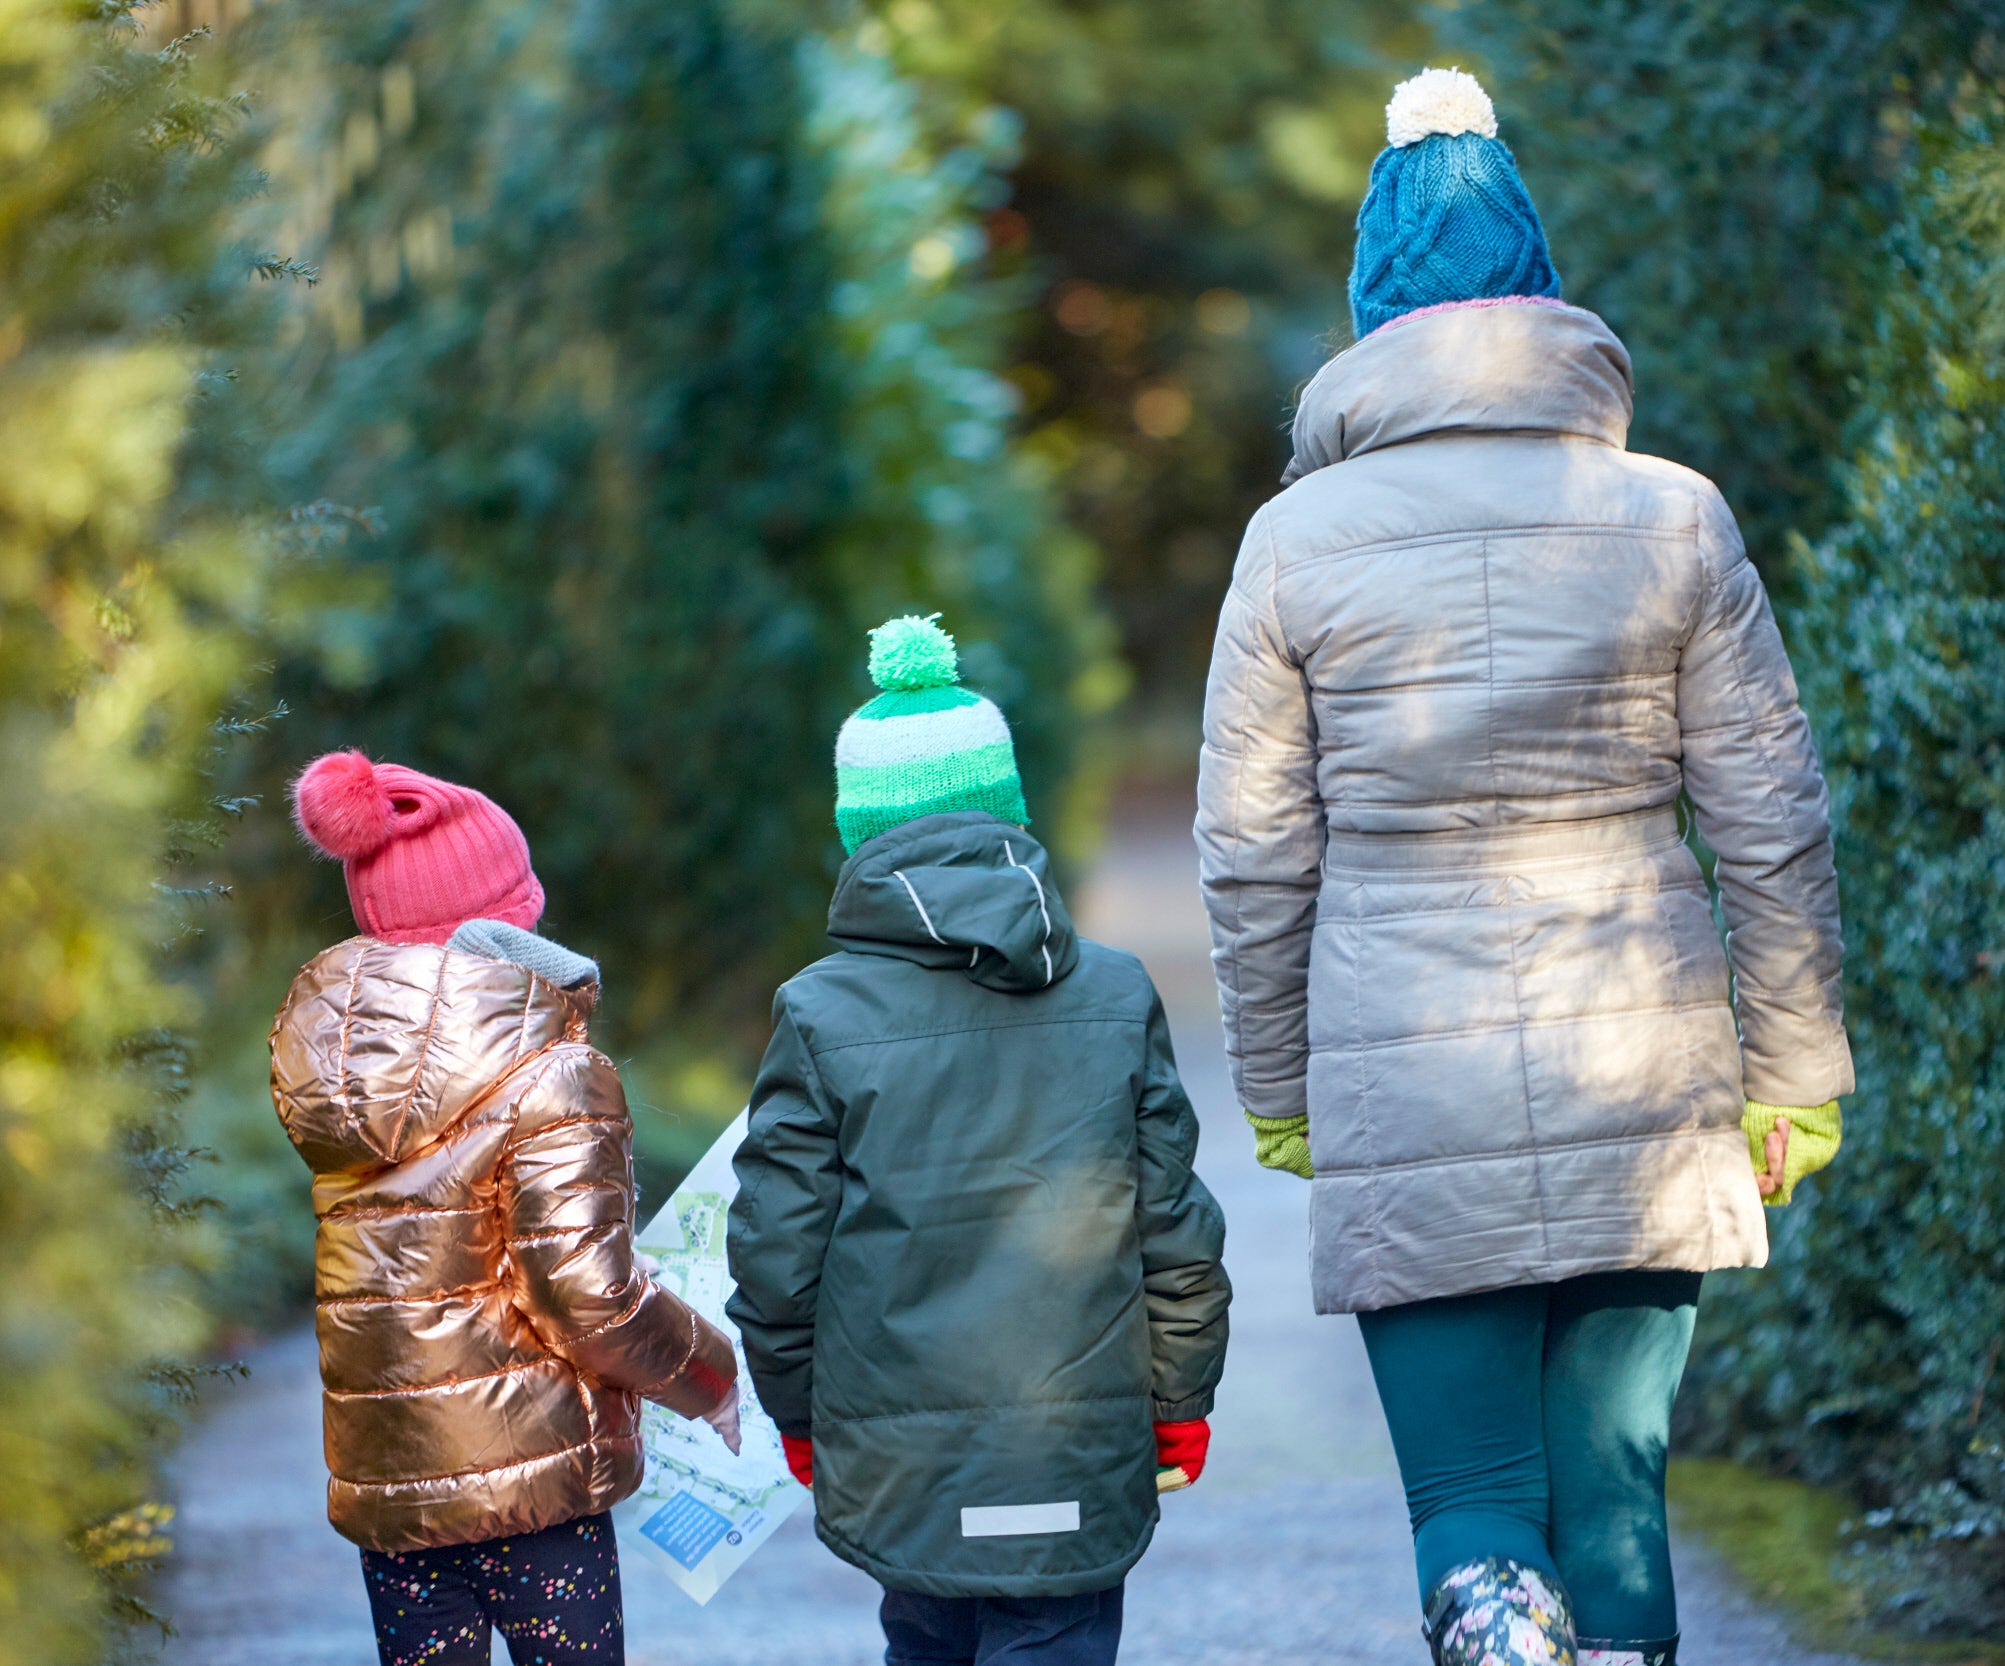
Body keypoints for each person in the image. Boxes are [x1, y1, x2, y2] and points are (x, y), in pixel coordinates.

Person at [1195, 67, 1854, 1666]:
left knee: (1477, 1498)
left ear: (1370, 317)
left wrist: (1282, 1085)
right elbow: (1772, 814)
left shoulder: (1294, 544)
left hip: (1405, 1078)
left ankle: (1492, 1626)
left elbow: (1252, 852)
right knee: (1615, 1492)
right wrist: (1797, 1070)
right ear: (1546, 297)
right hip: (1648, 1053)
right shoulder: (1675, 518)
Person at [726, 614, 1230, 1666]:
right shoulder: (1112, 989)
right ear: (1007, 809)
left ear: (859, 832)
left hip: (898, 1455)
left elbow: (777, 1251)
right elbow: (1174, 1223)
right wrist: (1178, 1398)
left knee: (927, 1632)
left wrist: (796, 1410)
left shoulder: (818, 1013)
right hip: (1076, 1440)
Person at [270, 750, 748, 1666]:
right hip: (537, 1493)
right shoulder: (553, 1070)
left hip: (393, 1490)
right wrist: (709, 1378)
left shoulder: (332, 1068)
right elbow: (589, 1294)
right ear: (506, 917)